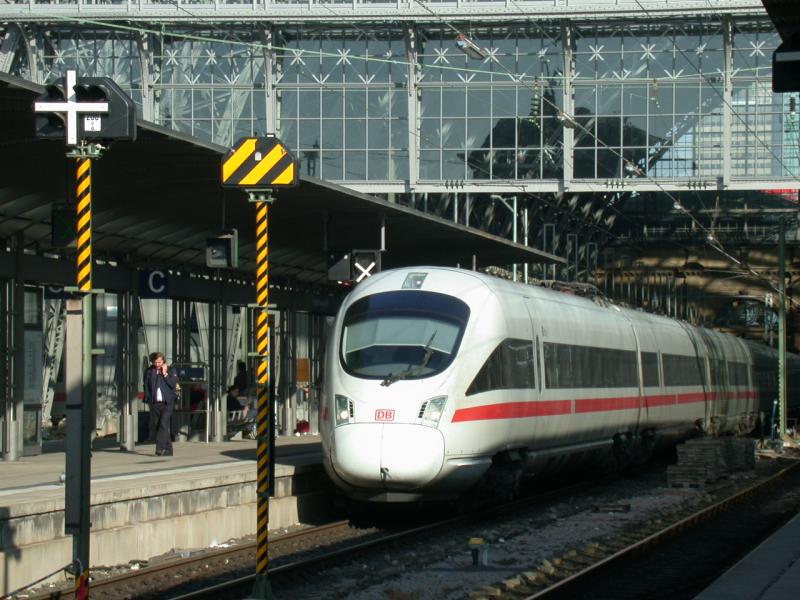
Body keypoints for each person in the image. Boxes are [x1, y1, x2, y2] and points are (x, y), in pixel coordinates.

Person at [143, 352, 178, 457]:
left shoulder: (171, 370)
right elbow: (146, 385)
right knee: (160, 426)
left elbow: (173, 384)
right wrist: (148, 397)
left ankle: (159, 448)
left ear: (163, 361)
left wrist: (165, 374)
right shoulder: (149, 371)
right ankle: (169, 450)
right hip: (155, 402)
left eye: (159, 362)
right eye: (155, 362)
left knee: (163, 423)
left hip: (167, 402)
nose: (157, 364)